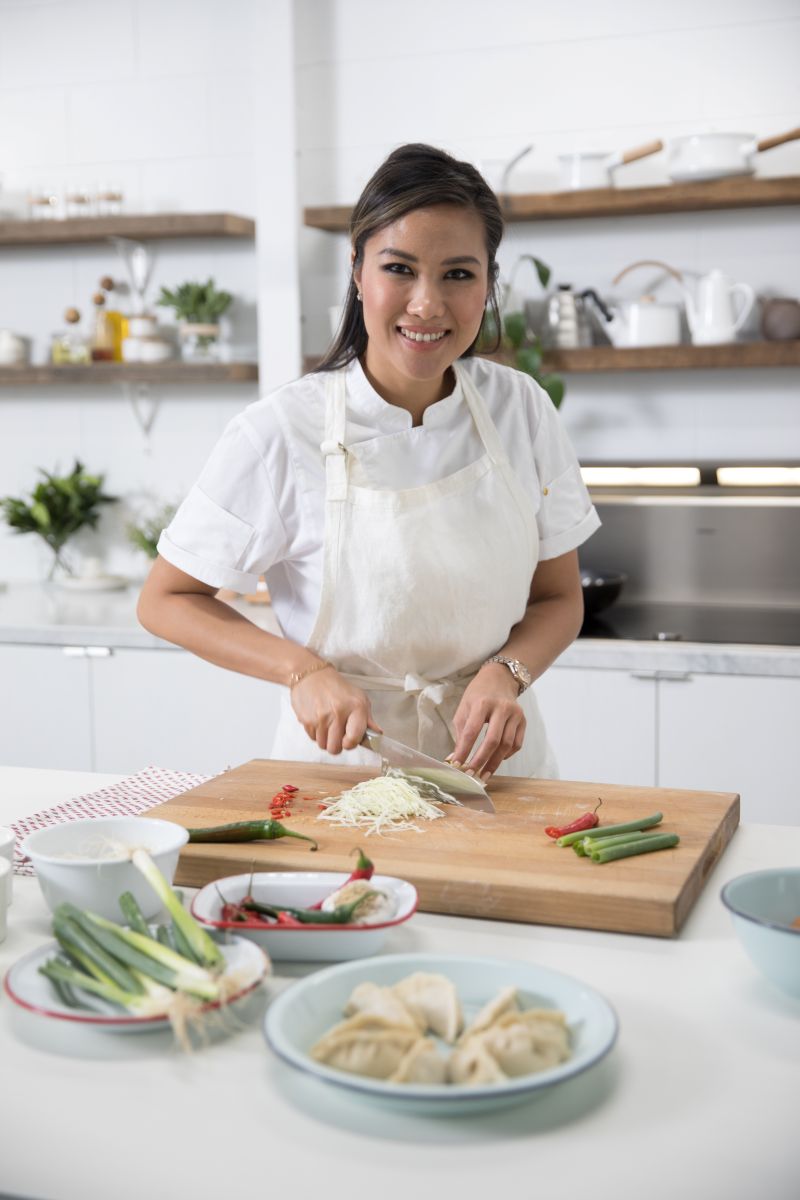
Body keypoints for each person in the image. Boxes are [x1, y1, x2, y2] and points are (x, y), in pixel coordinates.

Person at [137, 143, 600, 783]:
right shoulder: (279, 431)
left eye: (459, 274)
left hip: (500, 770)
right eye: (400, 269)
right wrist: (302, 671)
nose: (427, 304)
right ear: (357, 272)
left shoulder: (520, 409)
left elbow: (558, 597)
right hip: (343, 772)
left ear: (490, 282)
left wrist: (508, 672)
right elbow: (166, 599)